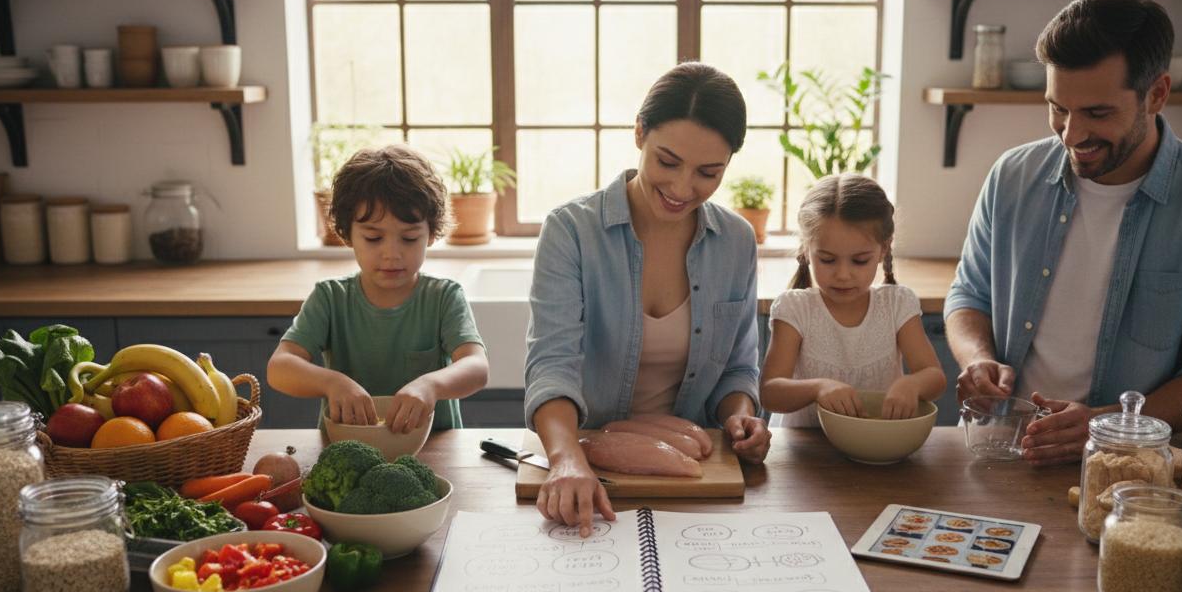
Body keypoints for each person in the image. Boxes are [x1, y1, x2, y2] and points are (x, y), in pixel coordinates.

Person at [945, 0, 1182, 465]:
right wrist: (976, 359)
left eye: (1097, 113)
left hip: (1130, 468)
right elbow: (969, 296)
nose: (1071, 134)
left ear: (1157, 94)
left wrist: (1108, 426)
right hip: (1000, 449)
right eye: (1058, 107)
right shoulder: (1011, 176)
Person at [526, 62, 771, 536]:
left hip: (696, 472)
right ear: (639, 133)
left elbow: (739, 368)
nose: (682, 189)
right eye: (667, 161)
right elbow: (551, 364)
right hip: (589, 470)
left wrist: (742, 420)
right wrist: (565, 458)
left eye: (708, 172)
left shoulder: (737, 241)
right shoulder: (571, 231)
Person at [267, 144, 490, 433]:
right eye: (373, 238)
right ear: (347, 234)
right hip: (348, 451)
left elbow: (477, 367)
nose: (391, 254)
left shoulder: (444, 297)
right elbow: (279, 367)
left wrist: (431, 385)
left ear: (431, 234)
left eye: (409, 239)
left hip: (433, 450)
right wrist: (331, 382)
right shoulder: (330, 298)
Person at [761, 174, 945, 426]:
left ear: (883, 249)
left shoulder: (897, 304)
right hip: (803, 451)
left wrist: (912, 384)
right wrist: (817, 388)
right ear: (806, 249)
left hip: (878, 449)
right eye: (827, 259)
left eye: (859, 260)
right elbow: (770, 392)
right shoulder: (795, 309)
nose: (843, 275)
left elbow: (934, 376)